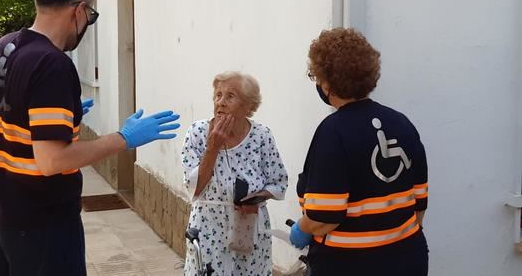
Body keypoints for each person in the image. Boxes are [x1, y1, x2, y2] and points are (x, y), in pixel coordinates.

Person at [0, 0, 180, 276]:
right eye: (90, 15)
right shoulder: (52, 63)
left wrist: (50, 118)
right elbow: (51, 161)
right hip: (44, 228)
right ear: (79, 10)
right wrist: (124, 138)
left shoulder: (3, 47)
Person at [289, 28, 429, 275]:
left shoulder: (332, 132)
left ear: (327, 83)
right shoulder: (402, 124)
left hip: (349, 264)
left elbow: (324, 217)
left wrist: (301, 229)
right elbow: (418, 207)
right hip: (408, 258)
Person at [182, 71, 288, 276]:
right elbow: (194, 189)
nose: (220, 102)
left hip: (249, 227)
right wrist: (213, 147)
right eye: (218, 95)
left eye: (230, 96)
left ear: (249, 107)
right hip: (209, 227)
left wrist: (256, 199)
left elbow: (279, 182)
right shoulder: (197, 133)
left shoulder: (261, 136)